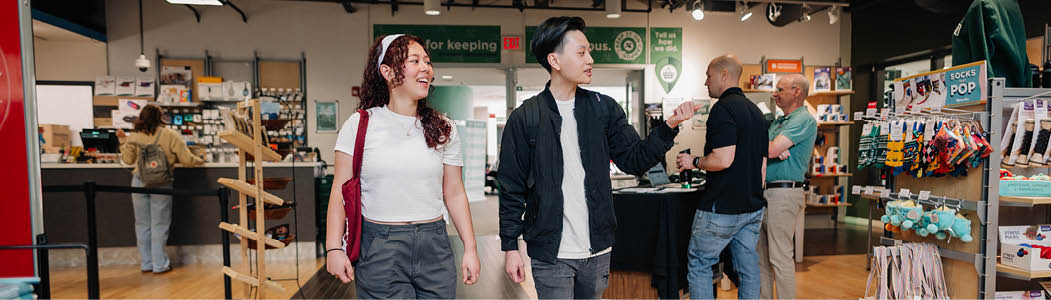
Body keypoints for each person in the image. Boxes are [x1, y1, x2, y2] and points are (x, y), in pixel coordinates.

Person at [499, 16, 696, 299]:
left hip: (598, 249)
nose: (590, 59)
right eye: (581, 53)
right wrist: (510, 247)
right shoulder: (526, 118)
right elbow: (511, 188)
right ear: (554, 60)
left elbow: (635, 159)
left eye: (589, 51)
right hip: (550, 251)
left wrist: (668, 127)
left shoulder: (604, 109)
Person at [324, 34, 480, 299]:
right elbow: (339, 190)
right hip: (380, 248)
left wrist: (470, 248)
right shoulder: (360, 125)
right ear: (387, 71)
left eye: (428, 62)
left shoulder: (444, 128)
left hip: (435, 245)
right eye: (414, 61)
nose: (426, 69)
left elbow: (454, 192)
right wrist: (333, 248)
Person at [676, 54, 768, 300]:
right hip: (752, 207)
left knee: (700, 264)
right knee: (748, 269)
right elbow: (762, 165)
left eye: (708, 75)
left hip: (722, 208)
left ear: (724, 75)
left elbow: (723, 159)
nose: (706, 82)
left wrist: (694, 161)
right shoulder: (756, 112)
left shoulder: (723, 109)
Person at [117, 104, 205, 274]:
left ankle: (146, 263)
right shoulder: (170, 135)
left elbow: (127, 161)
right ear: (160, 117)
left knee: (142, 224)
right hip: (162, 182)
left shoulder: (135, 136)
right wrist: (200, 160)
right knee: (160, 224)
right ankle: (160, 264)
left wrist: (122, 141)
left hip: (139, 181)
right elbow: (187, 159)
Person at [758, 73, 817, 299]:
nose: (774, 94)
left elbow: (769, 150)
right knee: (761, 260)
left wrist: (771, 147)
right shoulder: (778, 121)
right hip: (764, 192)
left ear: (797, 92)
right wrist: (771, 147)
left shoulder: (804, 119)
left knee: (780, 258)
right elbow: (768, 148)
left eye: (780, 90)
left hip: (783, 194)